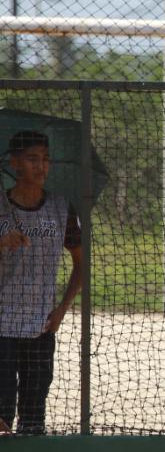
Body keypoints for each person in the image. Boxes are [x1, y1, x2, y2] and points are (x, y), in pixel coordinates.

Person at [0, 130, 83, 436]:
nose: (41, 166)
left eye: (46, 159)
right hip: (2, 324)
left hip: (41, 325)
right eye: (32, 158)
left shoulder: (62, 208)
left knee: (33, 416)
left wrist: (62, 308)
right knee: (1, 415)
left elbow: (81, 265)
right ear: (14, 163)